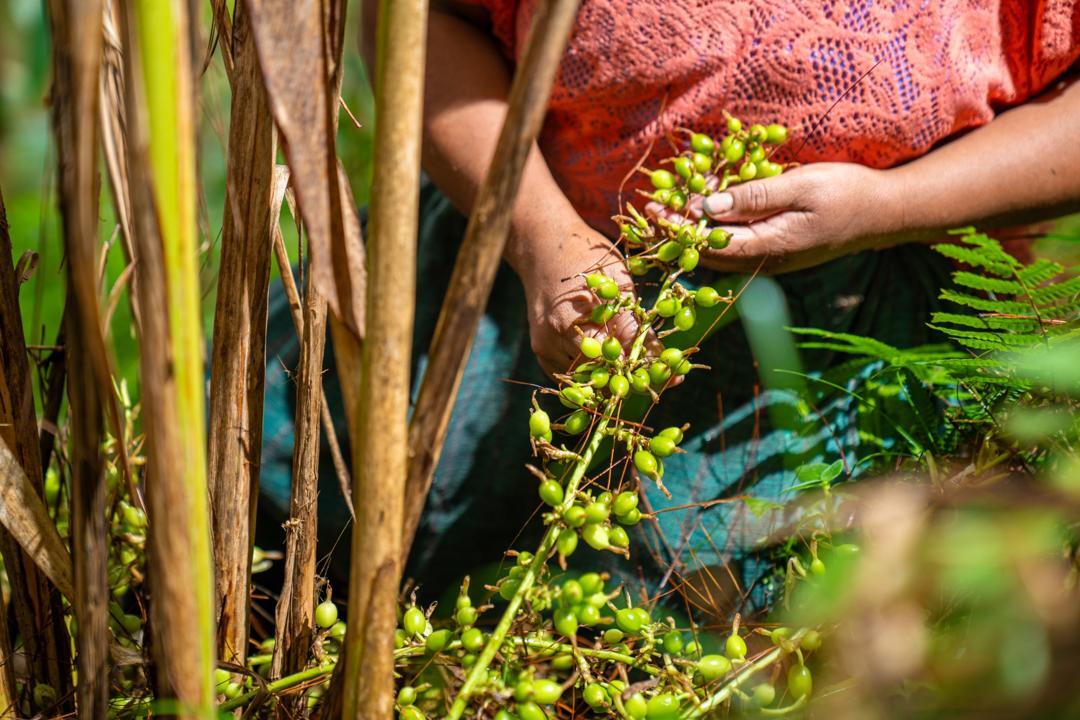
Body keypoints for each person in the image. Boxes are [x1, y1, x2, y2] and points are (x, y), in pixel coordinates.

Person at [258, 1, 1080, 615]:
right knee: (320, 563)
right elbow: (422, 24)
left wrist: (894, 204)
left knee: (683, 640)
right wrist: (539, 233)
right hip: (505, 255)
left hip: (857, 331)